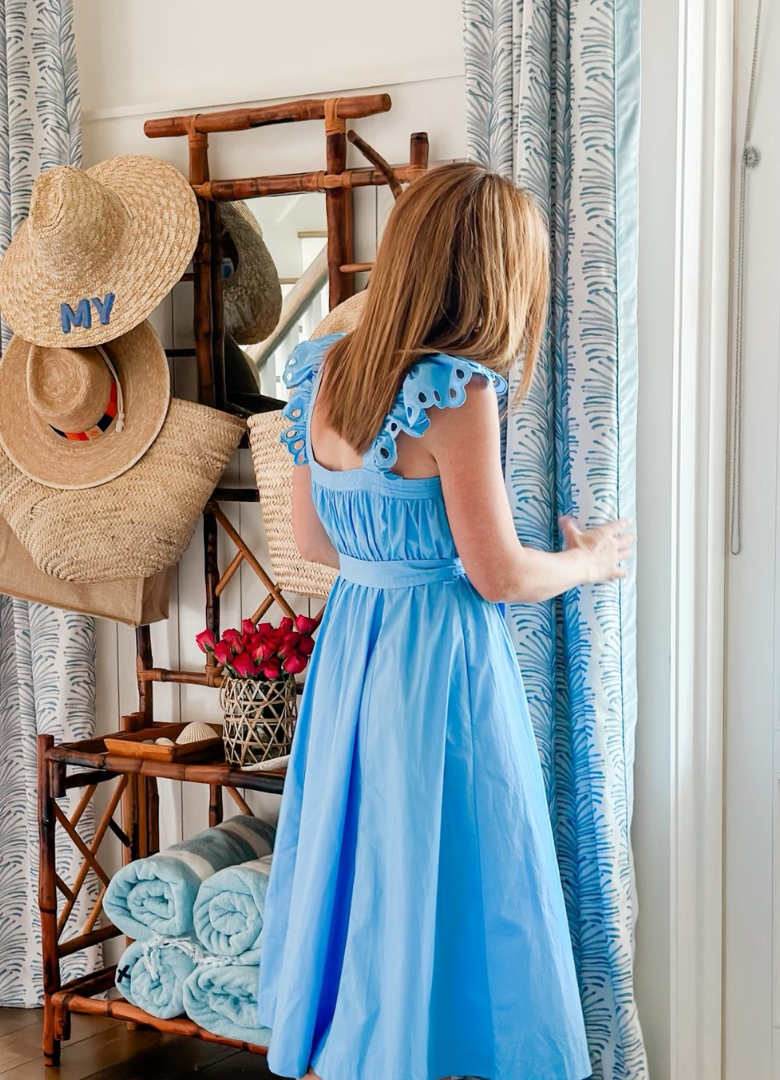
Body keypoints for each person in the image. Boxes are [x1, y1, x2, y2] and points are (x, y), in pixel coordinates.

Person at [257, 161, 634, 1080]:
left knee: (370, 864)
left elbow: (311, 538)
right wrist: (591, 560)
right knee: (453, 869)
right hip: (438, 658)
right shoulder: (456, 390)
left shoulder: (321, 368)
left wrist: (392, 557)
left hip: (353, 649)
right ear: (497, 275)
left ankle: (372, 1051)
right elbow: (497, 573)